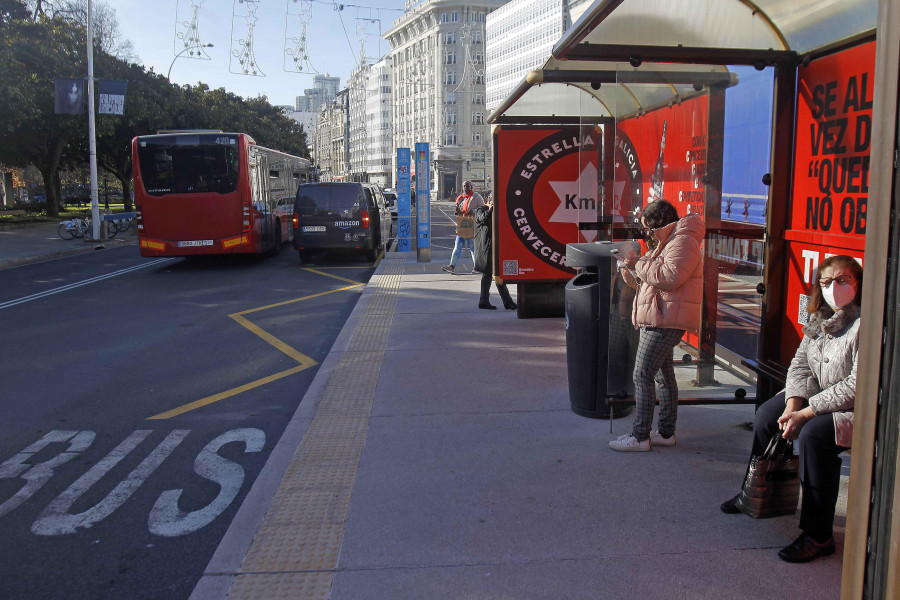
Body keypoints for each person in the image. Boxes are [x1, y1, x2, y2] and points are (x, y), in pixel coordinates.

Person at [721, 254, 861, 563]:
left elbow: (856, 385)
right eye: (826, 282)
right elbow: (799, 364)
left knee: (813, 436)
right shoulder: (819, 317)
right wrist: (792, 405)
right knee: (766, 418)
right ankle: (754, 493)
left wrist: (806, 413)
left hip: (855, 406)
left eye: (842, 280)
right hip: (814, 394)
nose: (833, 288)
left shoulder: (866, 323)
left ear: (858, 282)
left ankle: (818, 534)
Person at [609, 199, 705, 452]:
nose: (645, 233)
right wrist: (627, 267)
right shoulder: (666, 242)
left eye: (646, 227)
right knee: (664, 377)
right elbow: (644, 282)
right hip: (660, 316)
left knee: (641, 375)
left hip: (664, 320)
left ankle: (640, 437)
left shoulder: (683, 241)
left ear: (657, 223)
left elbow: (670, 277)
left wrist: (638, 264)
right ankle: (665, 432)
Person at [606, 240, 642, 398]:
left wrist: (627, 268)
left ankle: (634, 388)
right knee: (614, 350)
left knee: (636, 353)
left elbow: (636, 286)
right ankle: (617, 386)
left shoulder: (636, 270)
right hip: (618, 313)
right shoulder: (616, 270)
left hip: (633, 315)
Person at [473, 196, 516, 310]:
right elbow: (481, 219)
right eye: (493, 202)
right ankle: (505, 302)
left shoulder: (497, 211)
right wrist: (490, 210)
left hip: (494, 247)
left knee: (495, 274)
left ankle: (487, 300)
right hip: (485, 248)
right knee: (492, 274)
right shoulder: (481, 209)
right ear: (489, 201)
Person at [442, 181, 484, 274]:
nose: (466, 188)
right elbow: (459, 211)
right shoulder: (461, 198)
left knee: (473, 248)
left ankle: (477, 267)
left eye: (468, 186)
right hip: (462, 226)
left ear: (471, 187)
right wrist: (457, 211)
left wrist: (473, 211)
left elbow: (484, 208)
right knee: (457, 246)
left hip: (472, 226)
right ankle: (452, 266)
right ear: (462, 188)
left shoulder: (476, 196)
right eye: (464, 186)